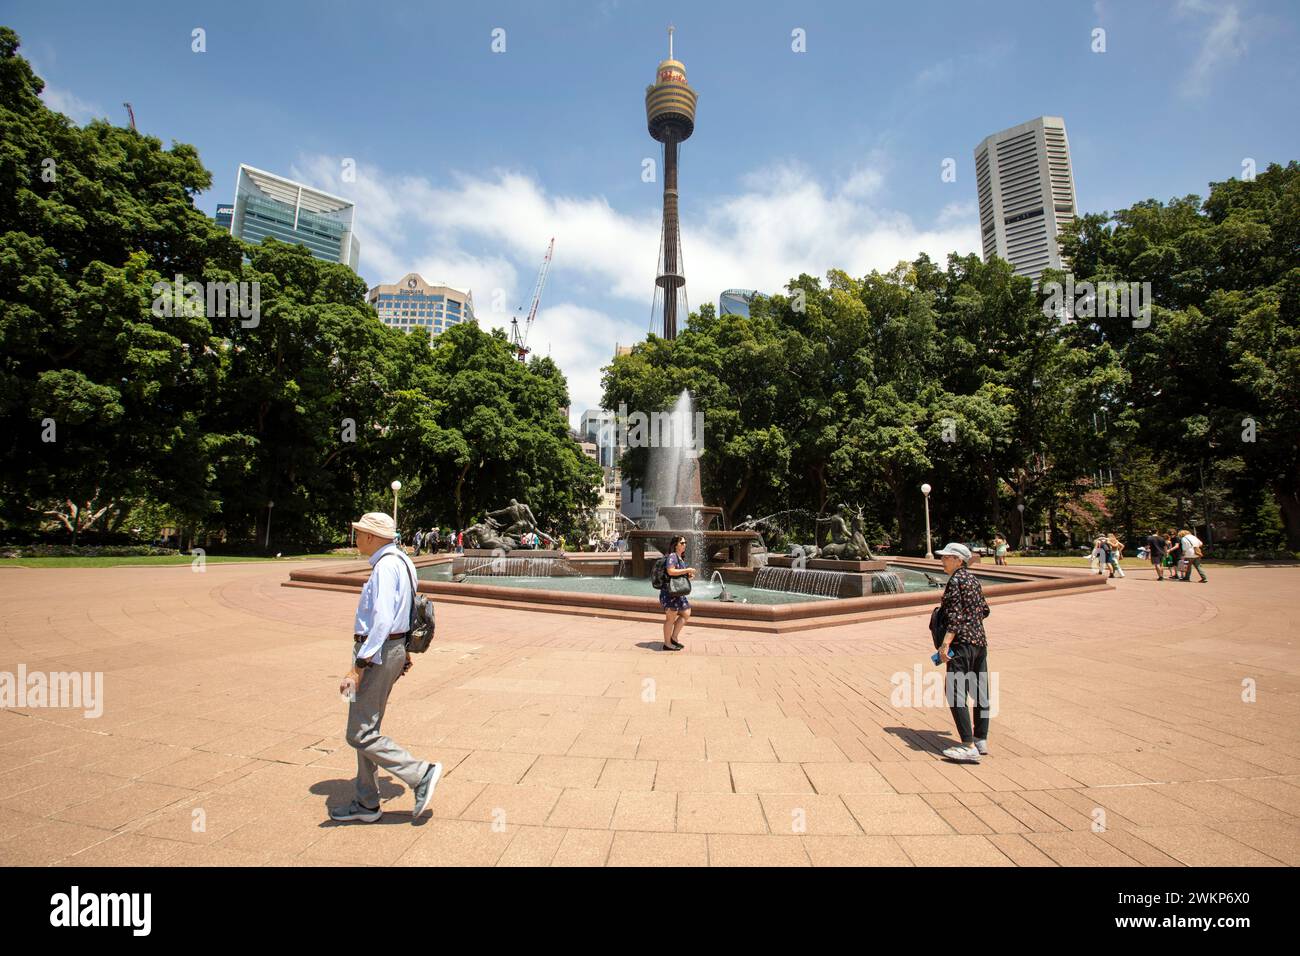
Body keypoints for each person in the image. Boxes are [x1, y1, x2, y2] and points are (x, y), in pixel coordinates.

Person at [331, 512, 442, 824]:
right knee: (368, 727)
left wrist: (359, 665)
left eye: (359, 533)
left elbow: (381, 620)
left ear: (371, 537)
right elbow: (407, 610)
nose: (356, 538)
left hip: (377, 652)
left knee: (358, 733)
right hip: (391, 648)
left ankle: (420, 773)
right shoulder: (403, 562)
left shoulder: (385, 566)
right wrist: (403, 651)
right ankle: (367, 802)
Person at [934, 543, 991, 764]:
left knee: (956, 692)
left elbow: (955, 617)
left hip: (961, 644)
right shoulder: (973, 580)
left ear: (959, 560)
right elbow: (985, 610)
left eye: (947, 557)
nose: (943, 560)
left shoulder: (956, 580)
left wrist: (945, 644)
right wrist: (972, 624)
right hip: (980, 643)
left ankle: (967, 745)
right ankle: (981, 739)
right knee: (980, 691)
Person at [659, 535, 695, 651]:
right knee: (670, 618)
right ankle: (667, 643)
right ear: (676, 545)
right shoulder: (672, 556)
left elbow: (678, 575)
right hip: (670, 592)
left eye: (685, 543)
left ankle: (674, 638)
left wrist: (688, 576)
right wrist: (687, 570)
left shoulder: (680, 558)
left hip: (677, 592)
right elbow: (670, 571)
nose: (685, 545)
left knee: (686, 612)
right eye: (682, 543)